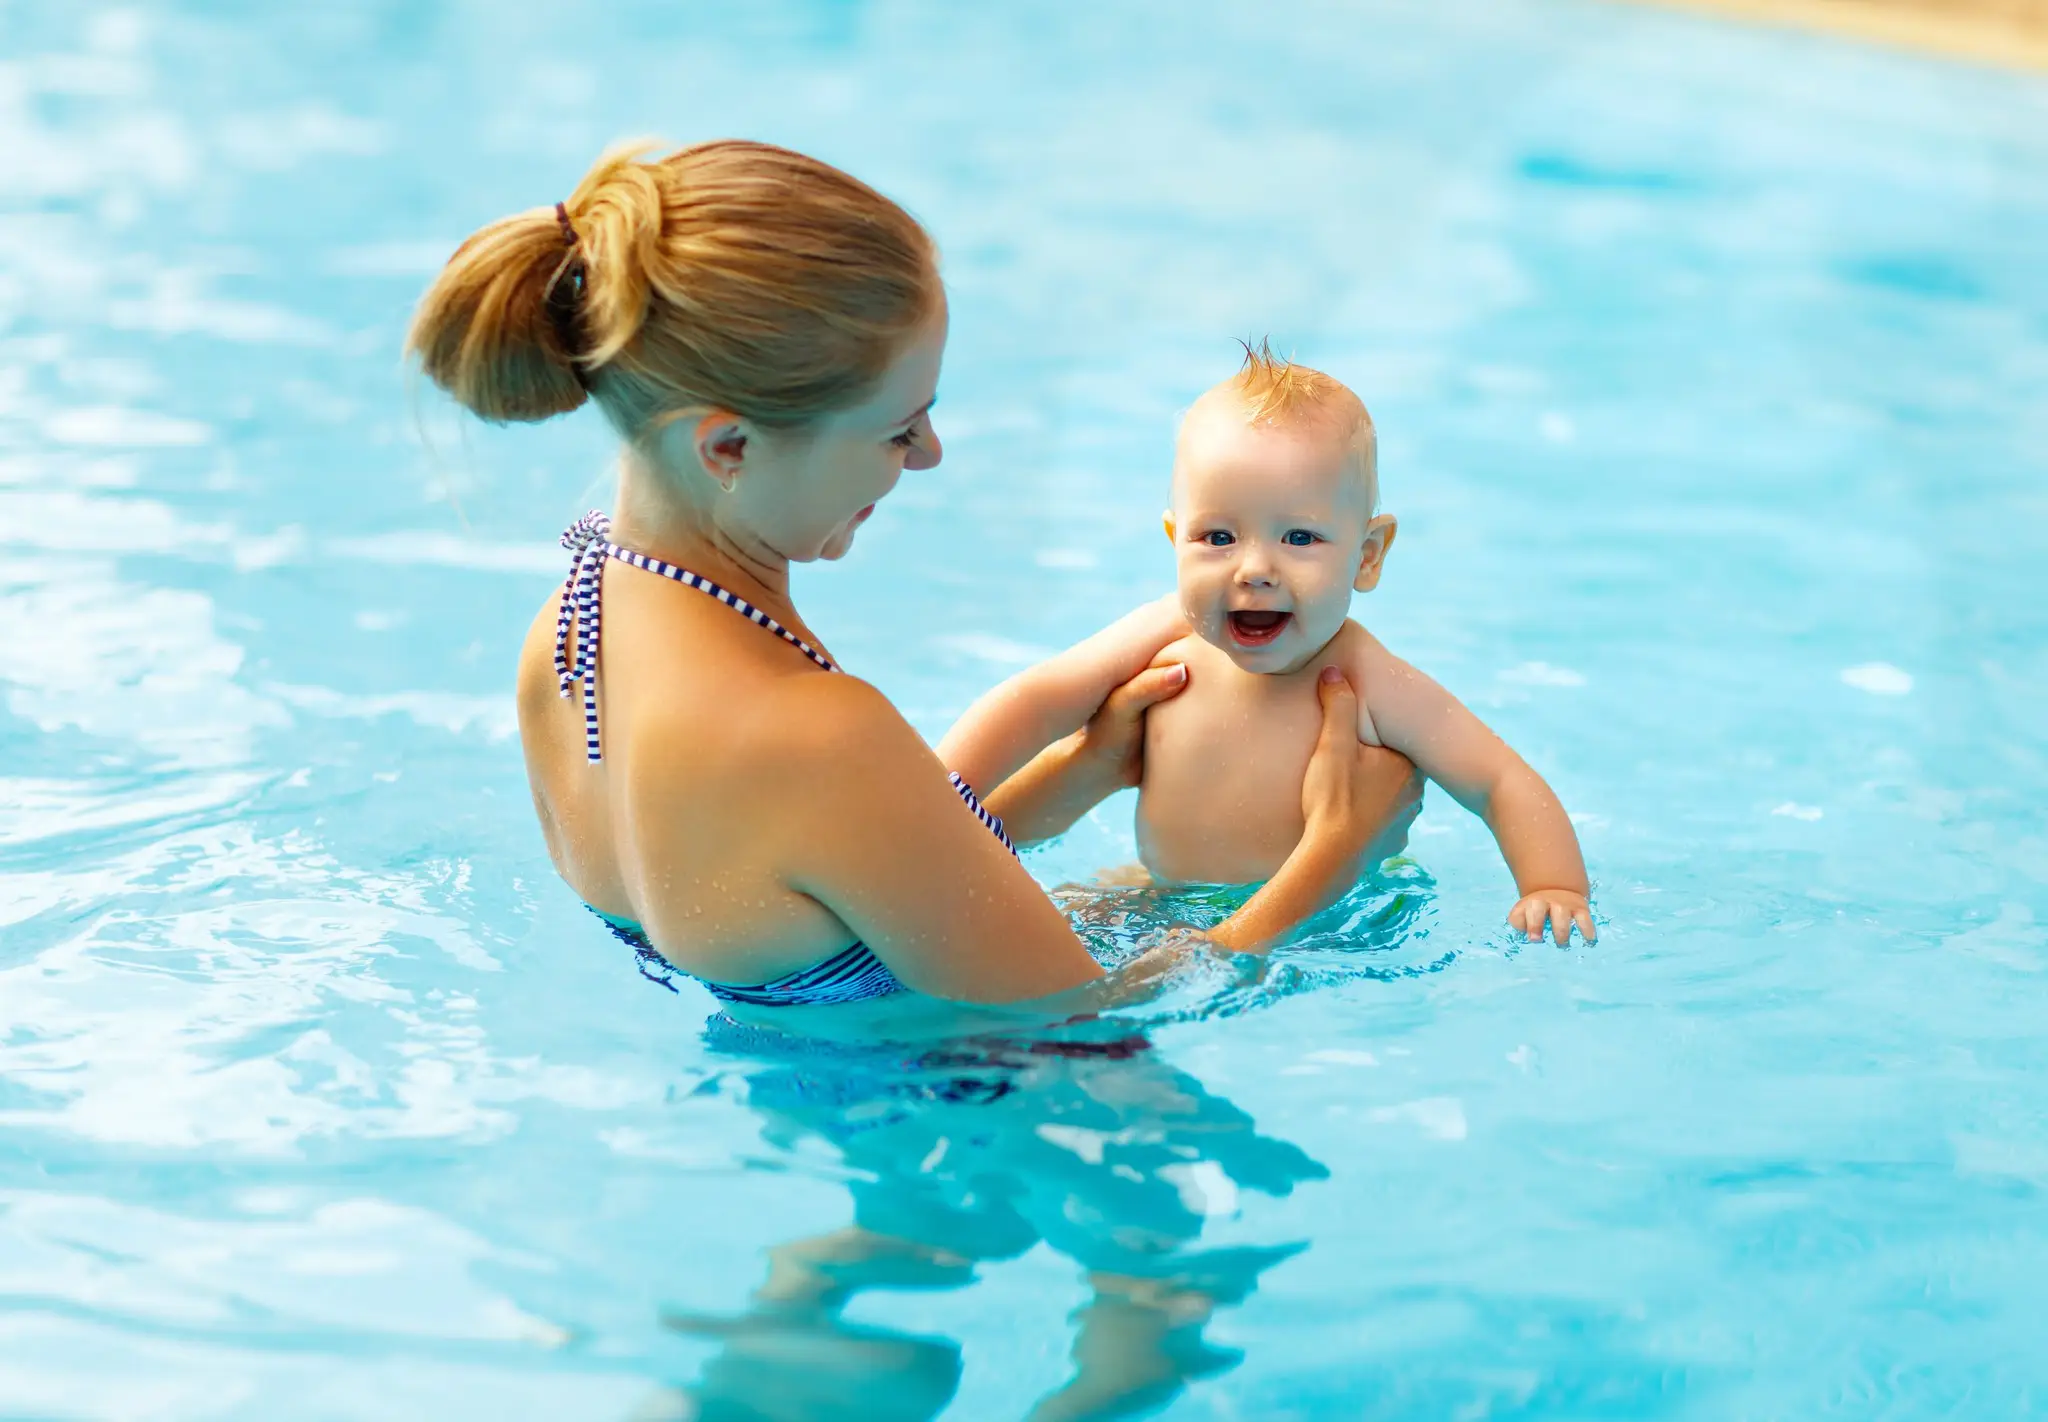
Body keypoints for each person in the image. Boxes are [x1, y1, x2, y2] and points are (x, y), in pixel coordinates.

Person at [405, 140, 1421, 1015]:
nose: (929, 454)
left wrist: (1065, 785)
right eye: (897, 428)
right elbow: (1084, 1028)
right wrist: (1327, 857)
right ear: (726, 449)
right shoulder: (815, 731)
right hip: (967, 1119)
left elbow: (806, 883)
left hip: (807, 1101)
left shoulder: (569, 635)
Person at [942, 342, 1596, 946]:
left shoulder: (1367, 678)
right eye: (1218, 538)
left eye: (1300, 538)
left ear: (1368, 557)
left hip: (1332, 919)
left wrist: (1553, 886)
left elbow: (1500, 781)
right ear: (1176, 539)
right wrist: (943, 792)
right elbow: (1037, 699)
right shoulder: (1162, 634)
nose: (1254, 568)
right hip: (1161, 895)